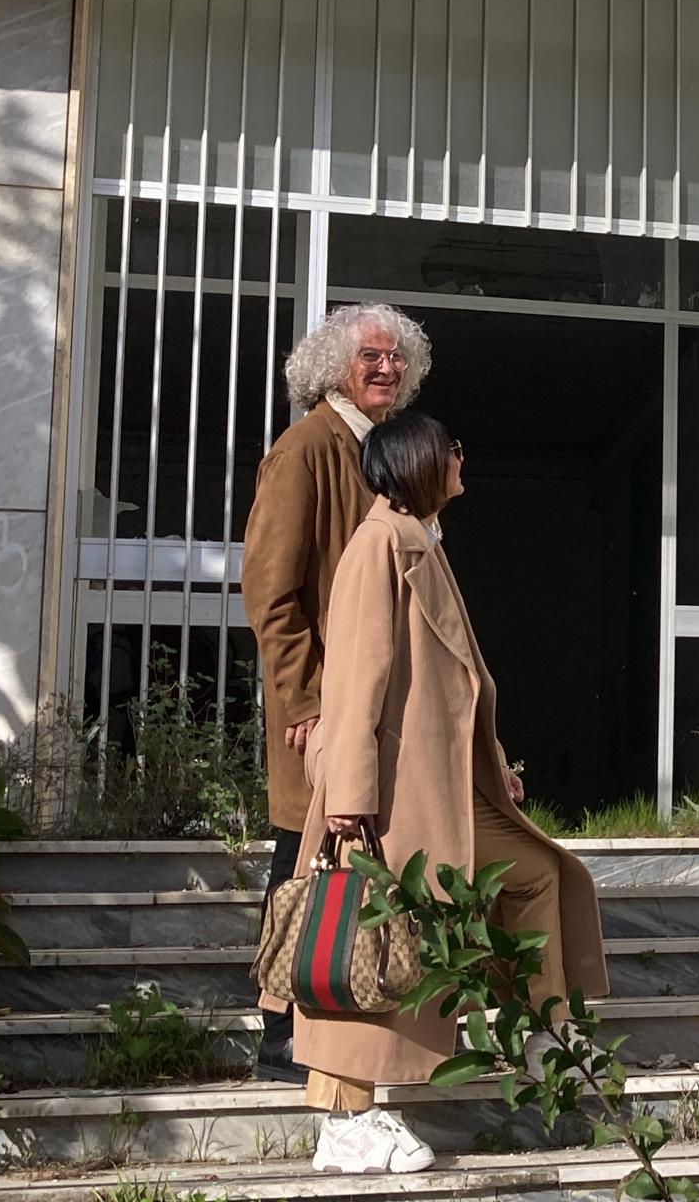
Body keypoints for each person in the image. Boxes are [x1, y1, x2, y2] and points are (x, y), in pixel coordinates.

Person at [287, 411, 608, 1175]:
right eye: (452, 448)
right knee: (362, 945)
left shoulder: (420, 541)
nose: (463, 458)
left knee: (537, 876)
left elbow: (453, 687)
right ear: (420, 463)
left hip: (441, 789)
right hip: (387, 795)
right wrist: (349, 795)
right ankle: (343, 1120)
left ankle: (542, 1031)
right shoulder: (379, 546)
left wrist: (492, 765)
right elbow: (355, 681)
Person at [242, 303, 431, 1083]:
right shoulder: (306, 450)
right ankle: (280, 1034)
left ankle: (330, 1025)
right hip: (318, 718)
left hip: (364, 715)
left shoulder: (375, 451)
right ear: (332, 369)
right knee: (303, 864)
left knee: (337, 861)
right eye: (370, 359)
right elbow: (270, 590)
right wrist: (308, 700)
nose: (387, 369)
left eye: (397, 358)